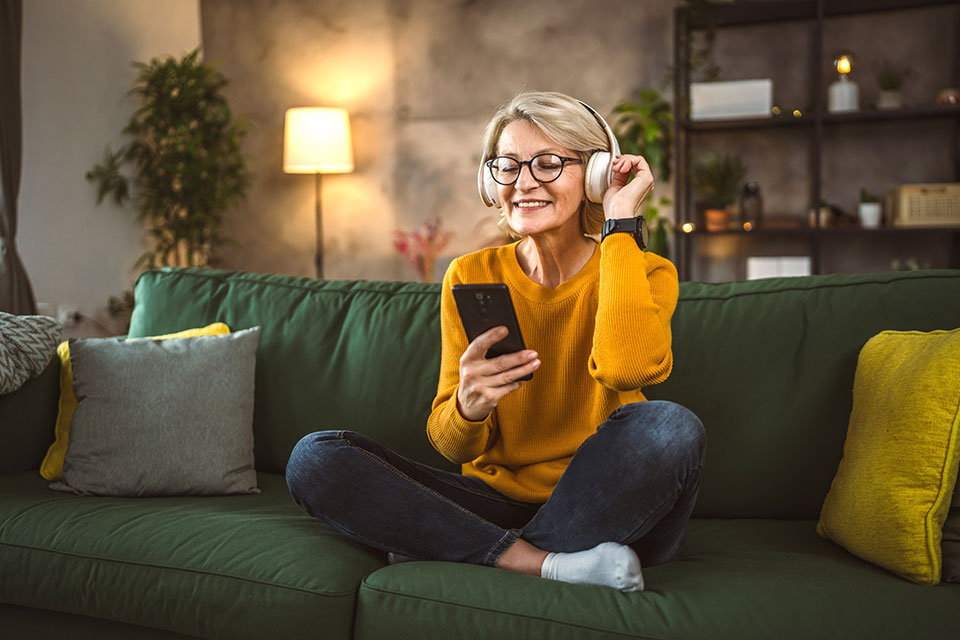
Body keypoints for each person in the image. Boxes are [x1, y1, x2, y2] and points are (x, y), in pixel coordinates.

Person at [286, 90, 705, 592]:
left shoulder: (646, 271)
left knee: (669, 427)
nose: (524, 183)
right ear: (491, 180)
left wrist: (619, 226)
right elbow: (448, 442)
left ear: (595, 174)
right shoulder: (471, 274)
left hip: (607, 503)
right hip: (495, 501)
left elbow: (624, 370)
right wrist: (469, 405)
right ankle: (543, 564)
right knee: (315, 457)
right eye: (507, 166)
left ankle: (460, 548)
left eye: (549, 164)